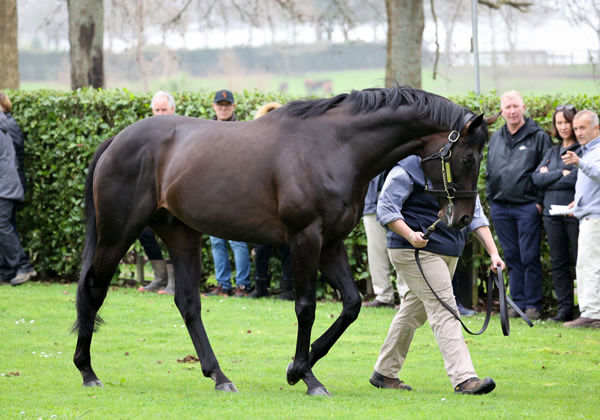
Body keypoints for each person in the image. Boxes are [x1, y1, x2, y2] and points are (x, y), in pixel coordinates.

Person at [369, 155, 505, 394]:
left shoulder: (462, 168)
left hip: (448, 250)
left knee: (412, 311)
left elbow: (476, 214)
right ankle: (465, 378)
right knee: (445, 308)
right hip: (413, 251)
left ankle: (384, 372)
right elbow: (386, 207)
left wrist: (493, 253)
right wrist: (410, 234)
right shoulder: (409, 166)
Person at [486, 90, 551, 320]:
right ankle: (517, 303)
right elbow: (489, 170)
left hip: (527, 207)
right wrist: (491, 199)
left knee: (529, 256)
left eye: (515, 106)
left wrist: (539, 204)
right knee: (511, 256)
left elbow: (547, 170)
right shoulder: (496, 137)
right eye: (507, 107)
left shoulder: (538, 136)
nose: (512, 111)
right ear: (501, 111)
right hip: (501, 207)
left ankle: (533, 305)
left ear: (523, 108)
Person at [532, 105, 581, 322]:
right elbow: (536, 178)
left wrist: (550, 175)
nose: (563, 127)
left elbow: (576, 178)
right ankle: (564, 311)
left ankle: (588, 309)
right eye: (559, 123)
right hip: (551, 213)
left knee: (581, 261)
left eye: (566, 122)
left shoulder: (583, 150)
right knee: (558, 262)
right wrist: (561, 172)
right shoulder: (552, 151)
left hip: (574, 212)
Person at [205, 90, 252, 297]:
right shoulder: (205, 130)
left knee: (237, 240)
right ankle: (223, 285)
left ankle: (242, 285)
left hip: (236, 192)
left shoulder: (243, 130)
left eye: (227, 104)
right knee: (216, 240)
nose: (223, 108)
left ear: (234, 107)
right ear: (214, 107)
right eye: (220, 104)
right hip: (213, 192)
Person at [247, 102, 294, 300]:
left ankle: (288, 289)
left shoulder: (290, 146)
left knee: (288, 247)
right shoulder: (257, 146)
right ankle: (260, 286)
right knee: (261, 248)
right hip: (263, 206)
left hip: (284, 204)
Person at [561, 110, 600, 329]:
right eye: (576, 128)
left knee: (589, 266)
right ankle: (593, 312)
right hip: (588, 214)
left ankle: (592, 313)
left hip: (595, 219)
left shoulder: (595, 152)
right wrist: (578, 203)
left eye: (583, 128)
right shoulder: (588, 152)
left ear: (597, 128)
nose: (578, 133)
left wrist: (579, 163)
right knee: (588, 265)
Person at [137, 91, 176, 295]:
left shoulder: (181, 132)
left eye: (164, 110)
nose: (160, 114)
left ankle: (174, 282)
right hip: (153, 195)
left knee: (174, 232)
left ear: (172, 110)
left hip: (176, 196)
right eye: (157, 110)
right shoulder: (147, 134)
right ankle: (160, 276)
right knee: (144, 231)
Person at [0, 111, 36, 286]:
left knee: (2, 225)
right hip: (8, 183)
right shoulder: (4, 125)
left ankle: (24, 266)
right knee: (6, 226)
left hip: (4, 186)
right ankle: (7, 270)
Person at [361, 172, 399, 308]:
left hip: (400, 200)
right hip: (372, 200)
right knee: (375, 251)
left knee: (403, 249)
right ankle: (383, 296)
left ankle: (408, 297)